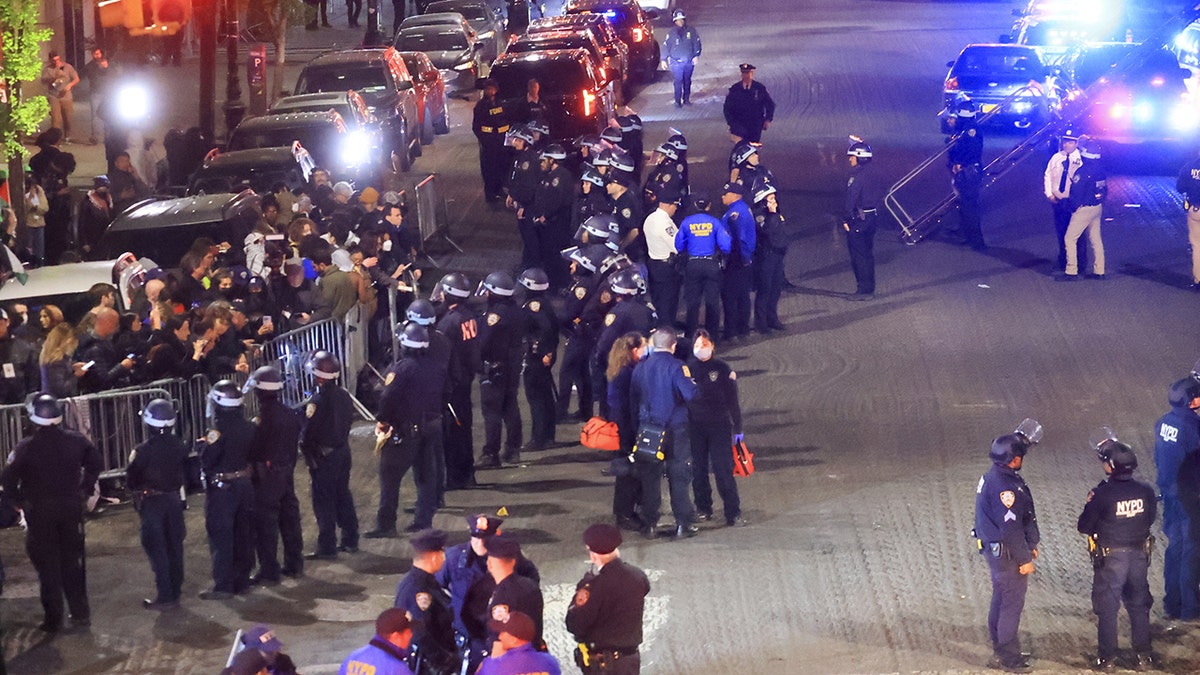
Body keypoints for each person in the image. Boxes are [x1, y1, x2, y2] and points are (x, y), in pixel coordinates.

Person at [1, 394, 102, 632]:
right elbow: (95, 462)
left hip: (40, 513)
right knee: (72, 563)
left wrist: (17, 503)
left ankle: (53, 618)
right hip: (70, 509)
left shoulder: (26, 447)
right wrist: (85, 488)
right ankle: (80, 613)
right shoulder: (76, 441)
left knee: (47, 567)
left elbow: (8, 478)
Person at [1077, 435, 1157, 671]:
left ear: (1111, 466)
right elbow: (1150, 518)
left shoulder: (1102, 494)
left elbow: (1084, 526)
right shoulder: (1145, 490)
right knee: (1139, 605)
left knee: (1108, 608)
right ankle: (1144, 657)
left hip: (1111, 558)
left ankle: (1107, 659)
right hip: (1138, 557)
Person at [974, 420, 1042, 673]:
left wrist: (1030, 543)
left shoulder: (993, 475)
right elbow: (1010, 529)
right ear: (1012, 460)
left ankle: (1000, 649)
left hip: (997, 551)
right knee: (1011, 604)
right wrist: (1024, 558)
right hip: (1006, 554)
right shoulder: (1006, 488)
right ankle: (1008, 657)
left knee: (1001, 599)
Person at [371, 324, 445, 535]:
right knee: (425, 476)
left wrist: (383, 420)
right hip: (431, 427)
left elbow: (387, 397)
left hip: (406, 431)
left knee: (390, 477)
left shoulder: (401, 369)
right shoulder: (436, 365)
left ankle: (386, 524)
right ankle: (423, 520)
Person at [630, 329, 698, 539]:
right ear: (673, 345)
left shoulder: (640, 368)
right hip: (676, 429)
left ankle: (650, 523)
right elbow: (691, 394)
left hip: (648, 429)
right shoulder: (678, 367)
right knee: (679, 475)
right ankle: (682, 524)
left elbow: (633, 399)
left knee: (650, 478)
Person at [126, 399, 188, 610]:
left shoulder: (142, 451)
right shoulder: (180, 445)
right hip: (173, 499)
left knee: (157, 548)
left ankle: (165, 595)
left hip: (152, 502)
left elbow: (131, 479)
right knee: (175, 546)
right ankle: (175, 590)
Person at [565, 523, 650, 675]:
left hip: (604, 665)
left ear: (592, 554)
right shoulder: (638, 576)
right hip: (630, 660)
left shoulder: (594, 586)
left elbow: (575, 624)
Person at [246, 366, 305, 583]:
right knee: (290, 519)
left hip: (268, 477)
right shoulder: (290, 414)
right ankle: (295, 564)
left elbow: (255, 450)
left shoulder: (263, 419)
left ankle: (269, 570)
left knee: (267, 524)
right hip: (286, 471)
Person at [200, 380, 256, 599]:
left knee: (222, 536)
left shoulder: (217, 433)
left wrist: (203, 446)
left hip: (223, 489)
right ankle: (242, 580)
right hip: (245, 484)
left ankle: (223, 586)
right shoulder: (249, 427)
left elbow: (207, 460)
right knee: (244, 534)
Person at [301, 351, 360, 556]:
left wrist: (307, 452)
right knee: (343, 495)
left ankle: (327, 546)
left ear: (318, 376)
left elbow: (308, 433)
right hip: (343, 452)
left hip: (324, 457)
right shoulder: (344, 395)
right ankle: (351, 538)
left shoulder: (318, 400)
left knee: (324, 501)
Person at [686, 330, 744, 527]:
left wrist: (738, 428)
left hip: (719, 424)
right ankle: (703, 508)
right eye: (697, 345)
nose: (701, 349)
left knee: (723, 469)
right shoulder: (687, 368)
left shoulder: (722, 368)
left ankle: (733, 512)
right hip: (695, 426)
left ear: (712, 346)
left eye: (704, 345)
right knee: (698, 469)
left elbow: (732, 400)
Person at [1154, 377, 1200, 622]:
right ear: (1191, 400)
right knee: (1191, 553)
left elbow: (1159, 458)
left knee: (1175, 550)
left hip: (1170, 495)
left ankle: (1172, 604)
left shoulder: (1163, 423)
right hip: (1190, 499)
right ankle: (1190, 609)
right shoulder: (1194, 428)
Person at [435, 273, 481, 490]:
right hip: (466, 379)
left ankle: (455, 477)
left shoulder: (447, 324)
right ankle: (467, 474)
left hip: (453, 384)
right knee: (464, 429)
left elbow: (442, 356)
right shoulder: (469, 316)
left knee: (452, 433)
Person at [393, 529, 458, 674]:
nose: (444, 558)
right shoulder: (419, 589)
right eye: (442, 553)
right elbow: (418, 632)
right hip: (428, 666)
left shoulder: (423, 582)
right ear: (434, 557)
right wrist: (445, 660)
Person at [477, 272, 524, 467]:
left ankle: (491, 454)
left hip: (495, 367)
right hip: (512, 365)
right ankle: (513, 450)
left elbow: (484, 343)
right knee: (510, 406)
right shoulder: (517, 310)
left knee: (492, 411)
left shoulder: (494, 315)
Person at [675, 196, 729, 338]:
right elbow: (726, 246)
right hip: (711, 264)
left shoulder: (687, 222)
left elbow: (678, 245)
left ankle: (690, 336)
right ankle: (712, 337)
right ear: (708, 206)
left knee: (692, 303)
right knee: (712, 302)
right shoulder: (715, 222)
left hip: (693, 264)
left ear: (695, 205)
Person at [607, 332, 645, 531]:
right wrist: (631, 436)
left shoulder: (619, 370)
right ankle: (625, 514)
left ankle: (625, 511)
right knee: (628, 473)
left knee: (626, 472)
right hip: (626, 429)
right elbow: (627, 406)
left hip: (620, 427)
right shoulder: (627, 373)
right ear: (634, 350)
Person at [518, 268, 559, 450]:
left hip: (537, 357)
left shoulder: (533, 306)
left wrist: (543, 352)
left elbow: (545, 329)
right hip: (544, 354)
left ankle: (538, 438)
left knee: (536, 398)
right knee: (546, 396)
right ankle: (548, 436)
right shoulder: (544, 302)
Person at [484, 535, 544, 651]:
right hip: (534, 654)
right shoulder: (530, 586)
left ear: (489, 564)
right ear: (513, 562)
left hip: (513, 663)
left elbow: (499, 645)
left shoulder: (501, 599)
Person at [1059, 140, 1107, 281]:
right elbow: (1105, 190)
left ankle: (1071, 271)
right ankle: (1099, 271)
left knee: (1069, 238)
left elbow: (1076, 193)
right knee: (1096, 239)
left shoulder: (1083, 171)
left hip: (1084, 209)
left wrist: (1071, 207)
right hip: (1097, 207)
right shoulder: (1101, 170)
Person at [843, 137, 883, 301]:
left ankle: (864, 290)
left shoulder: (857, 177)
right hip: (872, 217)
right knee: (868, 254)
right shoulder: (873, 172)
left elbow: (851, 199)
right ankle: (869, 286)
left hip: (859, 219)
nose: (850, 160)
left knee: (859, 256)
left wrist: (846, 219)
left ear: (859, 157)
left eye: (852, 156)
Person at [1043, 129, 1086, 274]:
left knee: (1076, 235)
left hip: (1073, 202)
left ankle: (1079, 264)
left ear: (1076, 143)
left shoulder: (1080, 160)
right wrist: (1049, 195)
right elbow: (1048, 175)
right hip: (1058, 201)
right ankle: (1063, 261)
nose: (1066, 145)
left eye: (1070, 142)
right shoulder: (1056, 157)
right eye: (1065, 141)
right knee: (1061, 233)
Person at [750, 178, 789, 333]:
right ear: (763, 201)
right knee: (765, 290)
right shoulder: (760, 216)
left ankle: (773, 319)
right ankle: (761, 324)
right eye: (771, 199)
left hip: (777, 257)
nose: (775, 201)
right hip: (766, 257)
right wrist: (772, 214)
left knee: (776, 289)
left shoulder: (774, 214)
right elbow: (768, 231)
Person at [719, 182, 755, 341]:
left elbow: (737, 239)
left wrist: (737, 258)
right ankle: (743, 329)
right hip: (744, 259)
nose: (722, 196)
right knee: (743, 296)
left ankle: (731, 331)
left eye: (725, 194)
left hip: (736, 259)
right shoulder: (744, 208)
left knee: (730, 297)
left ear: (734, 195)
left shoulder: (735, 214)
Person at [643, 188, 683, 328]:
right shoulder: (664, 223)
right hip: (667, 268)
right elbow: (677, 246)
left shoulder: (650, 218)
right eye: (676, 205)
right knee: (668, 302)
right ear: (669, 204)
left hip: (654, 264)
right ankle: (666, 331)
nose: (676, 209)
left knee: (658, 300)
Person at [478, 611, 560, 675]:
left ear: (514, 639)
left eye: (503, 632)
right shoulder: (550, 662)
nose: (500, 637)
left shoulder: (491, 666)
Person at [340, 608, 417, 675]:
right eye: (409, 632)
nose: (411, 635)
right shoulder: (397, 669)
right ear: (395, 636)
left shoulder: (353, 657)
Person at [474, 80, 511, 204]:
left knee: (501, 167)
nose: (490, 91)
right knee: (489, 169)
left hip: (501, 141)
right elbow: (476, 126)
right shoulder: (481, 106)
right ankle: (490, 194)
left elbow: (507, 120)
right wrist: (484, 140)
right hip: (489, 142)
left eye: (492, 89)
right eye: (487, 89)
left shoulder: (501, 104)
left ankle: (499, 189)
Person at [723, 64, 775, 143]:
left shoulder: (759, 88)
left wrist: (768, 120)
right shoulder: (735, 89)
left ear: (752, 74)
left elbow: (770, 104)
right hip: (739, 126)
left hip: (755, 126)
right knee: (741, 148)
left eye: (748, 73)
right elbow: (727, 108)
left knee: (753, 148)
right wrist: (732, 123)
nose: (746, 75)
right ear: (741, 74)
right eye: (744, 73)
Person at [663, 10, 701, 108]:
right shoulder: (671, 33)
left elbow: (696, 44)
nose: (680, 22)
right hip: (676, 62)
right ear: (674, 21)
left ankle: (686, 99)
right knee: (678, 81)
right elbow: (666, 46)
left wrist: (696, 55)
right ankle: (677, 100)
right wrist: (663, 59)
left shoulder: (691, 31)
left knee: (687, 80)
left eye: (682, 20)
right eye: (678, 20)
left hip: (689, 61)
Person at [0, 307, 38, 404]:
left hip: (21, 402)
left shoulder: (24, 347)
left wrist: (30, 400)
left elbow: (33, 376)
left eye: (0, 324)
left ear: (7, 322)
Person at [41, 52, 80, 141]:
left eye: (58, 59)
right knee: (55, 118)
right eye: (54, 60)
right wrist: (55, 77)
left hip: (66, 96)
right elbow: (43, 81)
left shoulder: (67, 67)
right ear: (50, 60)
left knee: (68, 117)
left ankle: (67, 136)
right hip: (53, 95)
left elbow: (76, 79)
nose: (56, 62)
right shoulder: (47, 69)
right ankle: (56, 138)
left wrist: (69, 86)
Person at [1175, 149, 1200, 289]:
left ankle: (1199, 279)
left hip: (1195, 209)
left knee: (1197, 245)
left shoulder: (1189, 167)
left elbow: (1180, 187)